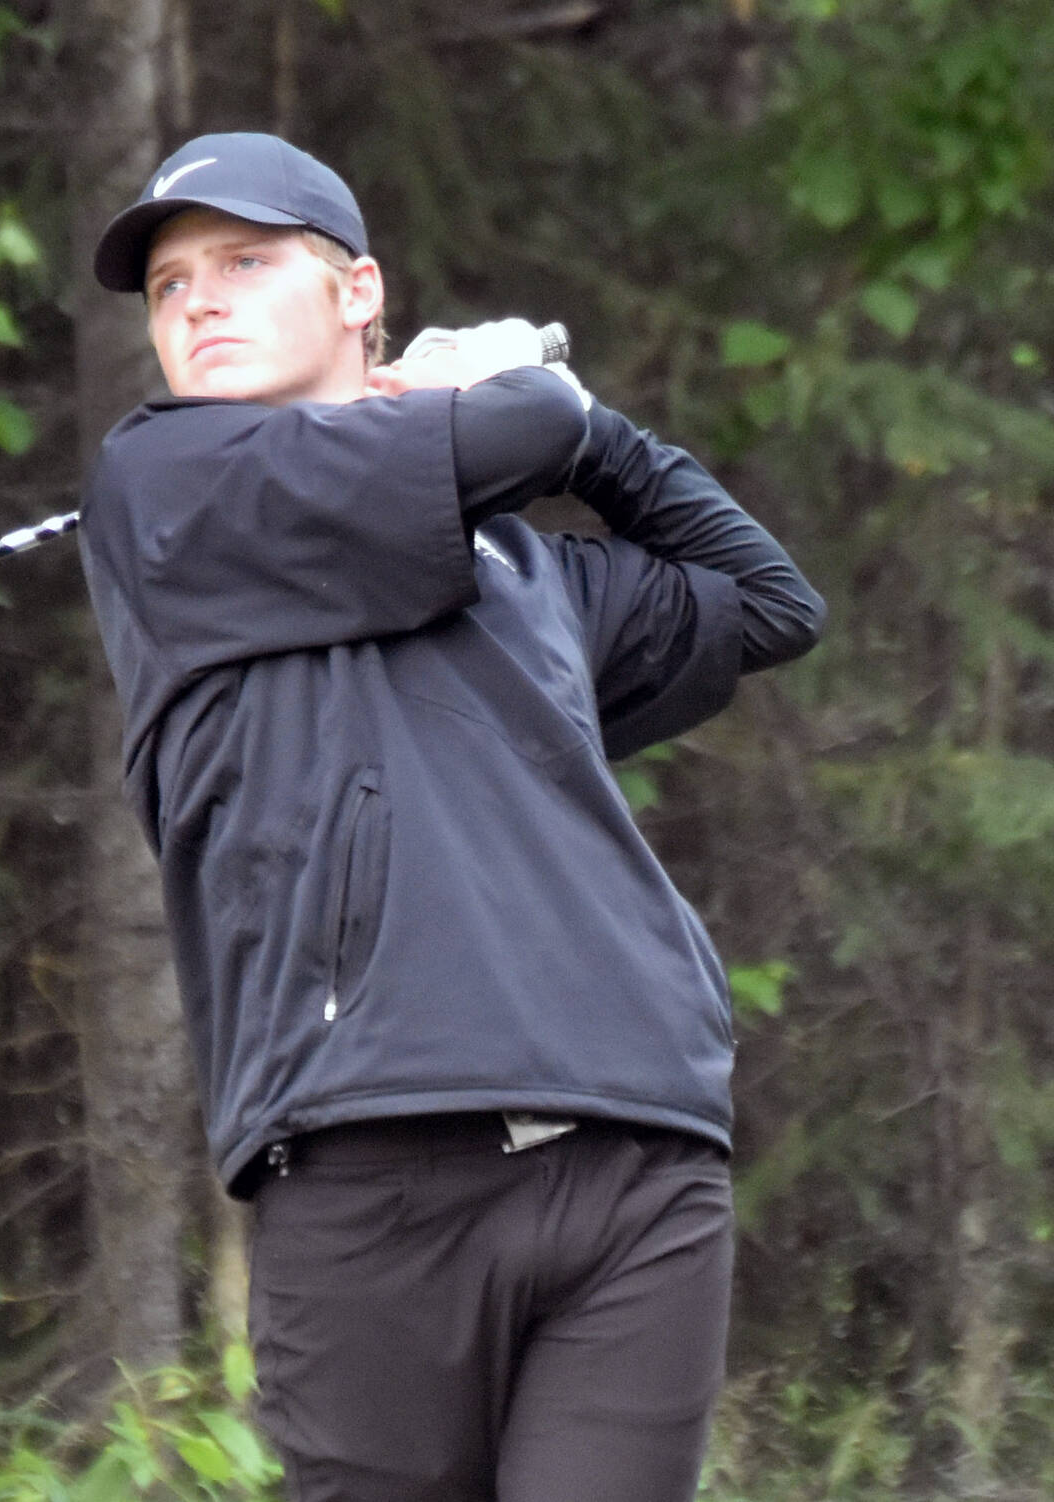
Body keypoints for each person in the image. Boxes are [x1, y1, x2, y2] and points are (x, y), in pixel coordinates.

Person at [77, 131, 826, 1502]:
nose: (200, 300)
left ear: (357, 292)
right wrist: (510, 405)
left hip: (630, 1143)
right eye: (171, 285)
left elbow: (769, 600)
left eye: (244, 261)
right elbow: (513, 429)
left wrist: (598, 432)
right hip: (370, 1174)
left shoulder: (525, 570)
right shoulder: (168, 486)